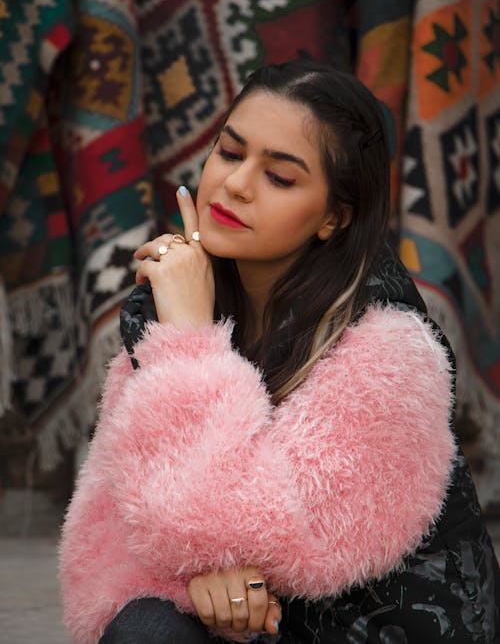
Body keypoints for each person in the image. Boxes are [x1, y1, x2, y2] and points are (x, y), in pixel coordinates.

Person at [59, 60, 499, 644]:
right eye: (230, 152)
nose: (236, 184)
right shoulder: (179, 302)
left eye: (280, 177)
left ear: (334, 216)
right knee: (144, 627)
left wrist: (189, 340)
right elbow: (101, 547)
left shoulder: (388, 349)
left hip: (371, 631)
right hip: (260, 627)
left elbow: (265, 537)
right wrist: (199, 582)